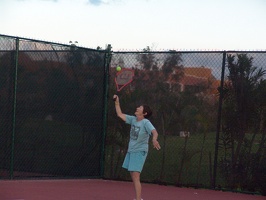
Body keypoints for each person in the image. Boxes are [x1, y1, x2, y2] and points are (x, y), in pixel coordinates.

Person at [113, 94, 161, 200]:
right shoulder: (133, 119)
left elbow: (154, 132)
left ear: (144, 113)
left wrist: (154, 139)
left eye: (140, 108)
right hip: (131, 151)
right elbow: (120, 114)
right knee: (133, 175)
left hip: (140, 151)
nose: (137, 108)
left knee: (135, 176)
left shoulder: (145, 122)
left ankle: (138, 199)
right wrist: (117, 102)